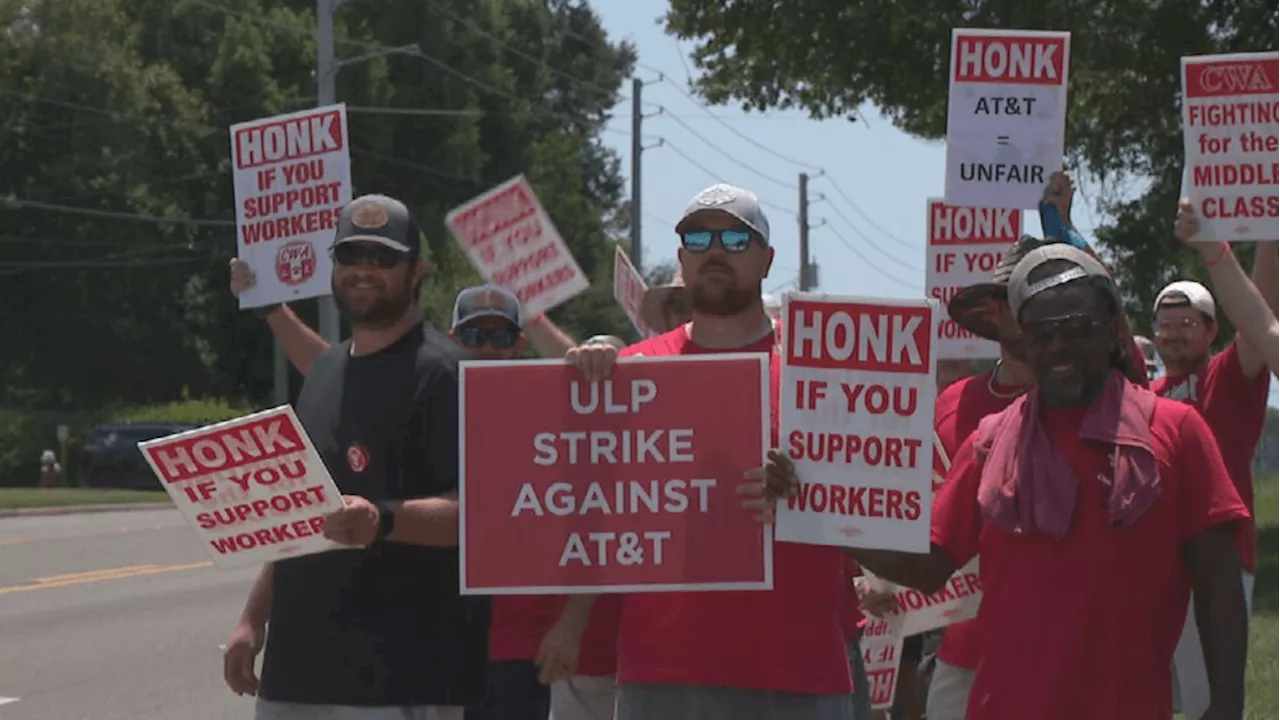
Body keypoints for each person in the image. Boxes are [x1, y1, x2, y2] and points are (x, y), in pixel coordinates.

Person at [843, 243, 1249, 720]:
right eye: (1042, 332)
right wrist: (821, 513)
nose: (1058, 346)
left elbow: (1219, 582)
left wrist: (1226, 703)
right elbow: (929, 565)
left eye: (1077, 328)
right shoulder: (991, 441)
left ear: (1111, 332)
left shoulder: (1177, 431)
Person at [229, 264, 606, 719]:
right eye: (474, 336)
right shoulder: (417, 403)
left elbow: (599, 513)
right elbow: (330, 372)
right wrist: (254, 616)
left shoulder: (547, 418)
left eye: (502, 338)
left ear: (521, 345)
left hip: (518, 645)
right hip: (429, 642)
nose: (486, 349)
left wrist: (571, 625)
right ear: (453, 339)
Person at [538, 182, 854, 719]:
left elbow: (871, 502)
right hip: (665, 668)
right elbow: (604, 513)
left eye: (735, 237)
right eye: (698, 236)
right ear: (682, 255)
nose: (715, 249)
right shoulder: (631, 371)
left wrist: (805, 493)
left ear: (766, 260)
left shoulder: (820, 372)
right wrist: (573, 620)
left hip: (798, 667)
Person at [222, 194, 489, 720]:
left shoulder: (446, 372)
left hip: (399, 680)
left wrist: (382, 519)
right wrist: (253, 618)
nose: (365, 270)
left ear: (417, 271)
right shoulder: (324, 373)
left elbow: (481, 517)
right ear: (334, 265)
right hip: (294, 676)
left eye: (384, 258)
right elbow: (301, 514)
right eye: (352, 255)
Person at [1157, 199, 1278, 720]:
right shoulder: (1146, 393)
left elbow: (1261, 317)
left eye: (1188, 322)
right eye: (1165, 323)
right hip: (1158, 566)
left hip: (1222, 562)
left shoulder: (1229, 379)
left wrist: (1268, 232)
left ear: (1211, 331)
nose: (1175, 332)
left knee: (1213, 702)